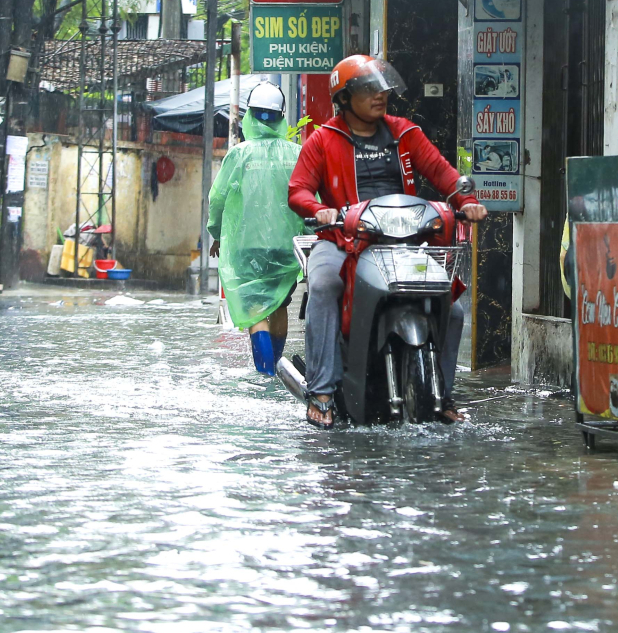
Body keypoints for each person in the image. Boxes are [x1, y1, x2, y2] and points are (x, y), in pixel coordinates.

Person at [287, 55, 485, 429]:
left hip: (404, 241)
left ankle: (442, 395)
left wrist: (467, 201)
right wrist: (320, 210)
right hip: (342, 237)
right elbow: (298, 190)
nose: (380, 96)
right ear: (344, 99)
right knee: (326, 284)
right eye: (367, 89)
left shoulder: (405, 133)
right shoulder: (323, 139)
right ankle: (323, 392)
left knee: (453, 309)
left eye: (382, 88)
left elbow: (444, 175)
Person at [206, 81, 303, 374]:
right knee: (280, 305)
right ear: (281, 116)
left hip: (247, 246)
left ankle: (265, 372)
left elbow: (218, 200)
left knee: (255, 310)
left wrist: (216, 234)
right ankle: (276, 367)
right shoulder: (297, 154)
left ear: (250, 115)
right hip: (287, 246)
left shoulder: (238, 155)